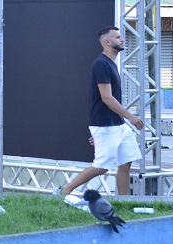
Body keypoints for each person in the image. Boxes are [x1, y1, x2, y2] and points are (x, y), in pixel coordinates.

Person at [55, 26, 144, 199]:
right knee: (101, 167)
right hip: (106, 125)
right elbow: (106, 98)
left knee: (126, 162)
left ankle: (122, 202)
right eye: (118, 37)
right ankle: (64, 191)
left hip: (117, 125)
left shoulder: (110, 63)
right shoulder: (102, 64)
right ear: (108, 42)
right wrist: (131, 117)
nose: (122, 39)